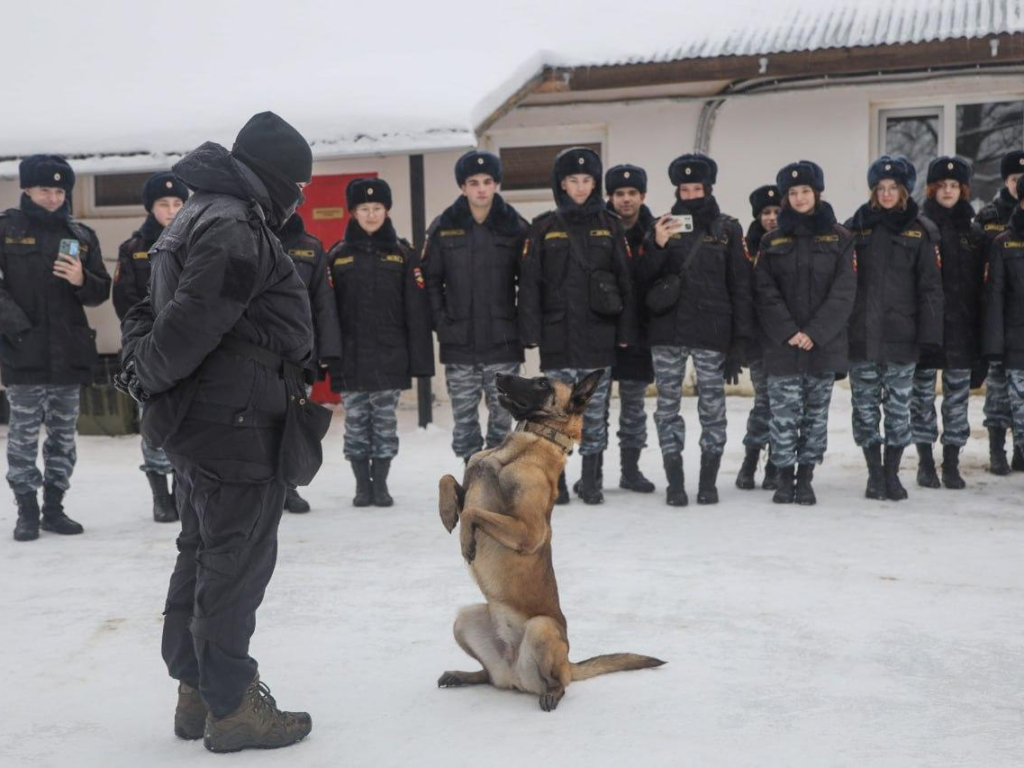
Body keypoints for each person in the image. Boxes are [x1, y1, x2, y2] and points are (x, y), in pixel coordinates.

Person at [119, 112, 318, 751]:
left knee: (204, 550)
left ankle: (197, 690)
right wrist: (145, 374)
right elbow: (188, 325)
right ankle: (231, 705)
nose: (301, 200)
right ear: (278, 178)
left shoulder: (197, 213)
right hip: (235, 423)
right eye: (300, 186)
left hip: (210, 419)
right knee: (237, 559)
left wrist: (145, 368)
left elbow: (154, 310)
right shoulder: (233, 225)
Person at [0, 154, 110, 542]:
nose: (52, 197)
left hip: (69, 351)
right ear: (27, 189)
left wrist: (82, 279)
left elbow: (101, 291)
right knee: (24, 436)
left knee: (63, 437)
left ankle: (54, 508)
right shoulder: (6, 229)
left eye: (60, 190)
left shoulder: (82, 235)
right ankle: (26, 510)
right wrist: (19, 330)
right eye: (45, 189)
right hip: (22, 352)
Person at [518, 147, 636, 505]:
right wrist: (531, 332)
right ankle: (559, 483)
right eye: (573, 180)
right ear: (561, 184)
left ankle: (592, 481)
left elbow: (626, 282)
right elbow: (530, 283)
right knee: (556, 414)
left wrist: (626, 332)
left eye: (587, 180)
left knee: (593, 413)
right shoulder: (543, 227)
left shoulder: (611, 226)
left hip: (599, 338)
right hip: (557, 336)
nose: (581, 187)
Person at [637, 153, 753, 506]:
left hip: (711, 331)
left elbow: (741, 286)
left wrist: (739, 341)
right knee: (667, 408)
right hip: (668, 332)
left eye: (696, 188)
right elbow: (643, 279)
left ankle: (708, 481)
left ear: (709, 188)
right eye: (684, 188)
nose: (690, 194)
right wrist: (655, 244)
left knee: (712, 409)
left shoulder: (728, 228)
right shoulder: (662, 225)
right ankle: (675, 482)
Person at [326, 177, 434, 507]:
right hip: (351, 357)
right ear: (353, 213)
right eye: (364, 209)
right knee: (356, 425)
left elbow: (416, 313)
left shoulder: (403, 255)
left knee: (385, 425)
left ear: (386, 211)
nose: (371, 215)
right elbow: (327, 311)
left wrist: (419, 363)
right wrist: (328, 354)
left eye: (377, 208)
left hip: (390, 357)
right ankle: (362, 486)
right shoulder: (337, 256)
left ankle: (382, 485)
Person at [754, 161, 856, 504]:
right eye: (793, 192)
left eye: (805, 191)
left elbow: (844, 292)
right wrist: (789, 332)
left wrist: (814, 332)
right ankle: (784, 478)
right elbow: (764, 292)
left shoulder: (841, 238)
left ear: (817, 193)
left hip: (822, 346)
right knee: (783, 416)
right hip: (782, 346)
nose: (799, 198)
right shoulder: (772, 240)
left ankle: (806, 477)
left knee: (815, 416)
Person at [845, 155, 944, 501]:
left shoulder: (921, 230)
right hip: (862, 337)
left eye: (893, 188)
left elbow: (931, 287)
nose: (886, 194)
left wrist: (930, 337)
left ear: (904, 191)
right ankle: (874, 474)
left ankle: (892, 473)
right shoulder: (855, 227)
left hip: (903, 337)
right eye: (880, 188)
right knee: (866, 408)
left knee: (900, 408)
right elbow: (843, 284)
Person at [421, 151, 527, 466]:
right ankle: (473, 476)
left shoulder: (515, 226)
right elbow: (430, 281)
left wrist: (520, 324)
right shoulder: (443, 227)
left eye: (487, 182)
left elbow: (531, 282)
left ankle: (498, 477)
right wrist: (442, 322)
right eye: (473, 183)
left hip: (503, 343)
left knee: (502, 420)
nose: (481, 189)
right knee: (465, 420)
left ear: (496, 184)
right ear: (462, 187)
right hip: (459, 344)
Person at [113, 171, 189, 523]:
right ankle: (161, 496)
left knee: (190, 421)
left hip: (190, 346)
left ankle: (183, 491)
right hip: (149, 350)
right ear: (150, 208)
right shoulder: (133, 249)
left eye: (178, 203)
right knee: (154, 421)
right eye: (164, 204)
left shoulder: (197, 240)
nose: (172, 211)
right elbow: (125, 303)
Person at [911, 156, 984, 489]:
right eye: (942, 185)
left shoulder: (974, 232)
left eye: (954, 185)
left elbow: (981, 289)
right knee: (922, 398)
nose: (948, 191)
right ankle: (925, 462)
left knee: (957, 401)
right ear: (931, 189)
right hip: (926, 330)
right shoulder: (919, 227)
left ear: (963, 189)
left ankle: (951, 462)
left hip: (961, 331)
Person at [276, 211, 342, 513]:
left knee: (293, 426)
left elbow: (324, 302)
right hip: (257, 351)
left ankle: (288, 488)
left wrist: (327, 350)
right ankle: (265, 491)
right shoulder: (249, 237)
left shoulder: (312, 248)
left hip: (300, 355)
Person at [603, 163, 656, 494]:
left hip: (640, 333)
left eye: (632, 193)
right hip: (601, 333)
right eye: (619, 193)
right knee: (595, 408)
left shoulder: (655, 232)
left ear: (643, 196)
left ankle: (631, 469)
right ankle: (592, 472)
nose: (626, 199)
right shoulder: (597, 229)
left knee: (634, 407)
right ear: (609, 197)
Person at [973, 149, 1024, 474]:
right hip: (999, 322)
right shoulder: (992, 221)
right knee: (998, 395)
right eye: (1014, 178)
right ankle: (997, 449)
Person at [736, 183, 782, 492]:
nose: (772, 218)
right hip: (758, 340)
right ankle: (751, 461)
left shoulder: (790, 241)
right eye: (766, 212)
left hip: (786, 337)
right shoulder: (746, 247)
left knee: (784, 404)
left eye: (777, 211)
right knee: (765, 401)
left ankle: (776, 464)